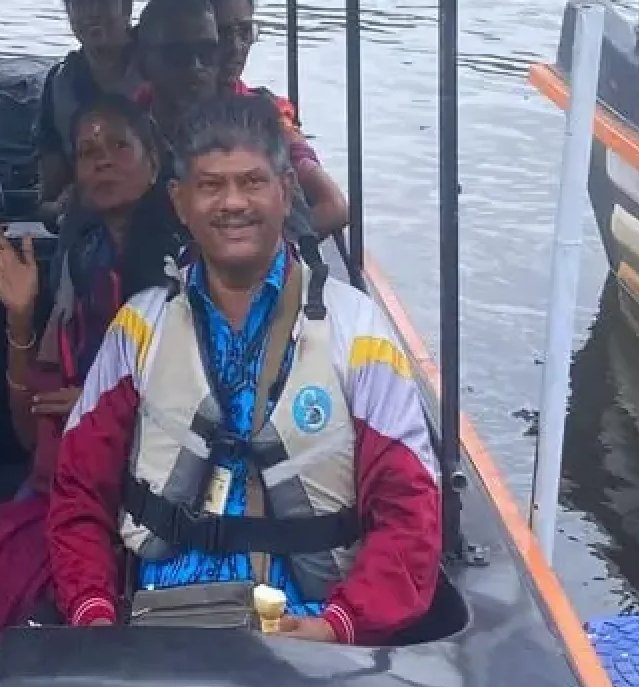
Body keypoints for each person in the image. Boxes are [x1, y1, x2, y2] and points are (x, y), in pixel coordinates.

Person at [45, 93, 441, 644]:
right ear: (180, 202)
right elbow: (78, 492)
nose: (233, 203)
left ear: (286, 190)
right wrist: (96, 617)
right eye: (211, 185)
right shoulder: (138, 328)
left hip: (312, 640)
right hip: (156, 635)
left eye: (252, 182)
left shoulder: (359, 333)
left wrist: (337, 627)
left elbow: (410, 511)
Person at [0, 94, 184, 640]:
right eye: (88, 152)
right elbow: (29, 427)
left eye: (119, 146)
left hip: (160, 494)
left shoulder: (188, 266)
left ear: (155, 163)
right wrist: (20, 315)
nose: (103, 159)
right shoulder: (82, 260)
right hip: (66, 485)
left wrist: (105, 407)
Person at [191, 0, 351, 236]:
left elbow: (334, 206)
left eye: (244, 32)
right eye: (223, 32)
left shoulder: (271, 114)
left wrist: (253, 241)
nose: (236, 46)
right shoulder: (155, 106)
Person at [33, 0, 136, 211]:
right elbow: (49, 197)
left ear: (127, 7)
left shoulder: (158, 66)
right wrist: (59, 208)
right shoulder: (59, 83)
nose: (92, 13)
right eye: (80, 3)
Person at [130, 0, 224, 146]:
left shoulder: (249, 141)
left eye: (207, 51)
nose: (195, 65)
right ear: (143, 60)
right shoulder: (119, 143)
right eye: (178, 52)